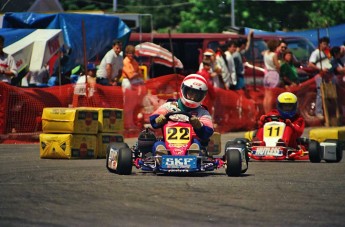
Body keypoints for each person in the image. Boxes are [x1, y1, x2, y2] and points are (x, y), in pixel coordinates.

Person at [149, 74, 214, 154]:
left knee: (196, 144)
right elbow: (154, 118)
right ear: (183, 90)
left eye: (196, 95)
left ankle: (193, 154)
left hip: (191, 143)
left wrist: (199, 125)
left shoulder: (202, 112)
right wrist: (158, 119)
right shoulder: (170, 106)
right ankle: (161, 155)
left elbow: (208, 131)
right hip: (168, 143)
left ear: (202, 96)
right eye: (190, 93)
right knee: (158, 144)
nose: (192, 98)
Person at [308, 36, 331, 120]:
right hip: (320, 75)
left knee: (328, 93)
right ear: (320, 44)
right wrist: (320, 69)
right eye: (324, 44)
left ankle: (327, 112)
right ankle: (319, 112)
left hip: (327, 75)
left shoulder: (326, 53)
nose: (325, 46)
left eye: (327, 44)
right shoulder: (316, 53)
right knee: (320, 93)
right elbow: (310, 64)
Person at [262, 39, 280, 113]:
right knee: (271, 95)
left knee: (266, 95)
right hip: (273, 74)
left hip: (267, 74)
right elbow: (277, 66)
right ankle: (269, 111)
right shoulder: (274, 55)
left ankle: (266, 111)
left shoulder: (266, 53)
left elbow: (263, 52)